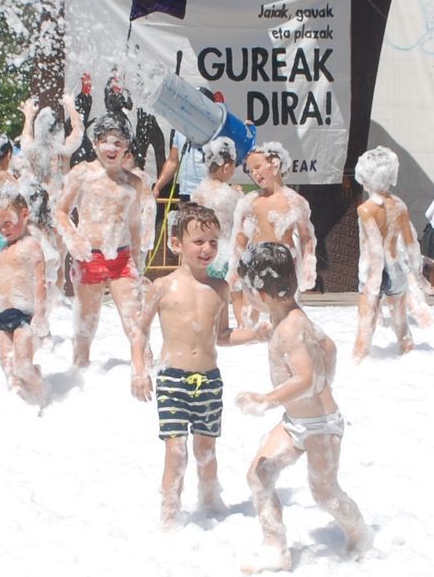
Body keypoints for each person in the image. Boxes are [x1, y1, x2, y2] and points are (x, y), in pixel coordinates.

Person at [234, 243, 371, 573]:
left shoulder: (292, 328)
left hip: (321, 425)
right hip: (296, 421)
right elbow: (328, 346)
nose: (243, 295)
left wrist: (266, 400)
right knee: (259, 474)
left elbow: (307, 378)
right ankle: (275, 547)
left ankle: (361, 537)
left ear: (262, 294)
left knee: (325, 493)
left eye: (246, 290)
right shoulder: (287, 320)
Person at [129, 204, 268, 528]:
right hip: (172, 379)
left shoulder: (219, 288)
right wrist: (139, 370)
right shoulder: (162, 286)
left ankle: (211, 506)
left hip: (209, 380)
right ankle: (169, 515)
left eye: (213, 241)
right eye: (198, 241)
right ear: (177, 244)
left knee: (206, 449)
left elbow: (222, 335)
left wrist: (255, 334)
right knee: (176, 450)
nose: (207, 249)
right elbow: (140, 330)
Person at [54, 114, 155, 368]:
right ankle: (79, 374)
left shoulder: (133, 183)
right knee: (86, 324)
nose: (111, 148)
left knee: (135, 321)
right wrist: (73, 237)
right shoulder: (82, 174)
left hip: (121, 259)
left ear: (126, 147)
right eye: (105, 141)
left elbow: (133, 225)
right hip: (89, 257)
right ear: (96, 143)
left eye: (118, 142)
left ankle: (147, 373)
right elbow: (60, 211)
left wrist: (137, 264)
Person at [353, 147, 434, 361]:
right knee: (400, 321)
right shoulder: (399, 205)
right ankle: (408, 358)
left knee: (366, 322)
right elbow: (410, 243)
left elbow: (374, 247)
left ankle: (358, 363)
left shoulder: (366, 209)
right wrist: (416, 275)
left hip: (373, 270)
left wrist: (373, 280)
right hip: (396, 268)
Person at [230, 143, 318, 312]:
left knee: (286, 310)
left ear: (275, 164)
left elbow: (307, 238)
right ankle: (251, 335)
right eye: (250, 170)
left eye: (257, 167)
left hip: (284, 265)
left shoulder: (294, 201)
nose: (254, 173)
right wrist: (234, 268)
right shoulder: (250, 201)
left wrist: (308, 265)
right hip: (255, 263)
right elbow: (240, 238)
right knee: (251, 311)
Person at [0, 189, 47, 405]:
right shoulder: (4, 250)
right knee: (7, 366)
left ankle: (44, 396)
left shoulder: (31, 246)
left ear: (24, 214)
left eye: (8, 223)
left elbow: (40, 282)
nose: (3, 229)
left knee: (22, 365)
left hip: (25, 315)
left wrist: (40, 313)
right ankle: (21, 406)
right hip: (4, 314)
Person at [192, 137, 247, 324]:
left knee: (208, 291)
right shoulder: (227, 193)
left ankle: (208, 324)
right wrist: (239, 193)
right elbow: (240, 215)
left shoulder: (199, 190)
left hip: (204, 248)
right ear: (226, 166)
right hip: (226, 249)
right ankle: (242, 324)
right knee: (237, 291)